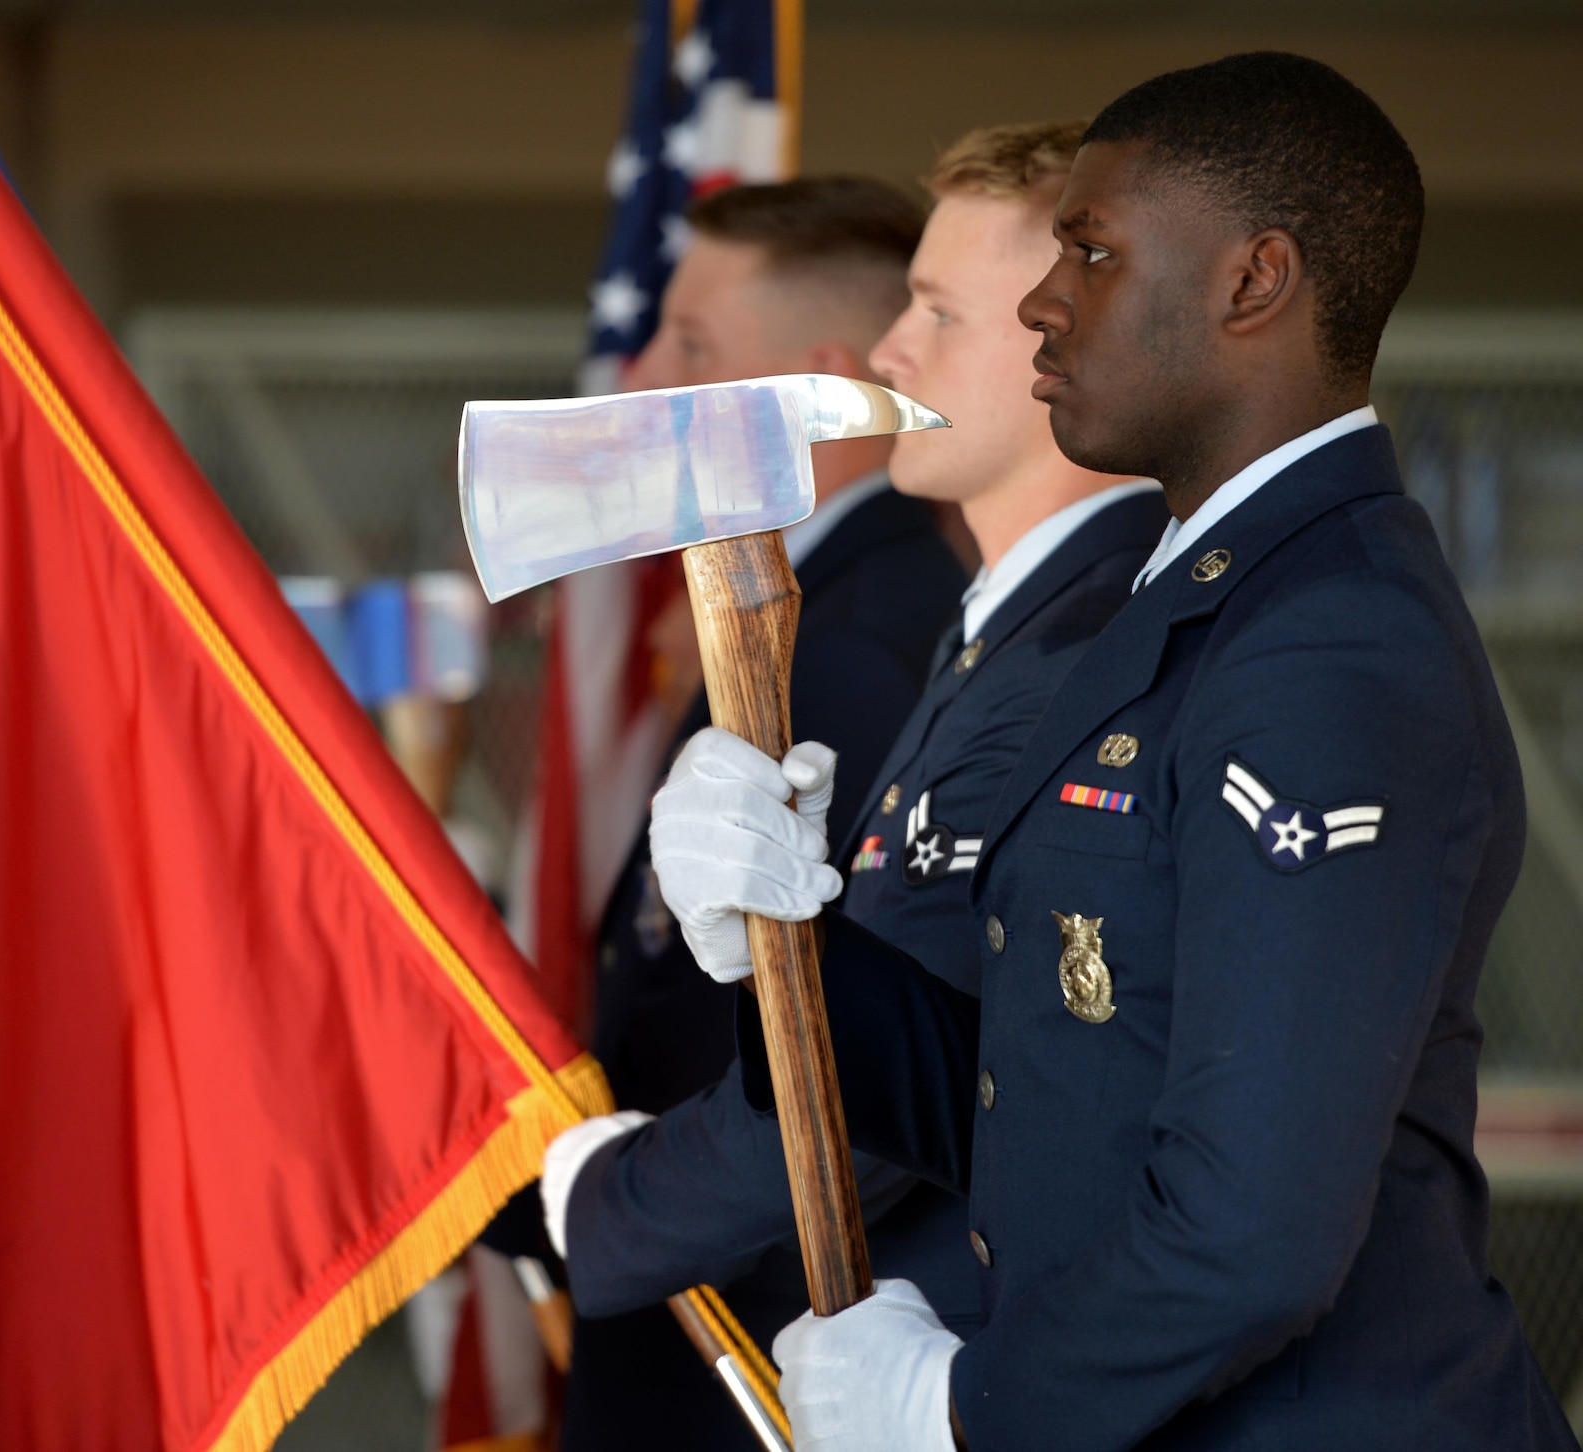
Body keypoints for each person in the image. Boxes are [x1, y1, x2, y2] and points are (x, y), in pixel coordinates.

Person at [648, 52, 1581, 1451]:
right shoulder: (1189, 598)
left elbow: (1248, 1235)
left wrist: (963, 1407)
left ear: (1252, 283)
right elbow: (1051, 1083)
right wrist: (787, 931)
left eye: (1090, 250)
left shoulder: (1328, 641)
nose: (1042, 297)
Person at [543, 117, 1167, 1388]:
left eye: (937, 312)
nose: (890, 351)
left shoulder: (1079, 657)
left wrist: (600, 1204)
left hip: (936, 1340)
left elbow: (944, 1087)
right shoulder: (987, 636)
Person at [559, 176, 970, 1452]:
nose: (637, 378)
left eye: (690, 347)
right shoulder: (813, 605)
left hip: (761, 1346)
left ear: (820, 382)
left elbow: (878, 1080)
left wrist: (599, 1209)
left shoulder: (866, 642)